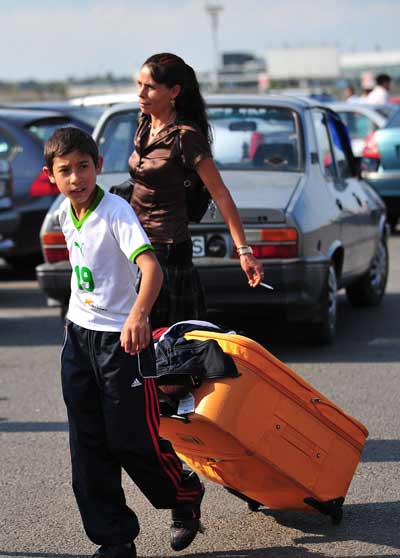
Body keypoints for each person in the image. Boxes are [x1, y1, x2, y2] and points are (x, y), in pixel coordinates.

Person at [43, 127, 206, 558]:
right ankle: (115, 540)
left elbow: (151, 269)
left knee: (132, 439)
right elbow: (85, 277)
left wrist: (137, 316)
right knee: (87, 445)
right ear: (51, 177)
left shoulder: (116, 211)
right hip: (79, 341)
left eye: (83, 167)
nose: (76, 178)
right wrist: (73, 327)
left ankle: (184, 496)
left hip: (123, 344)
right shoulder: (64, 213)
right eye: (65, 171)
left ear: (97, 166)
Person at [128, 52, 264, 329]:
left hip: (167, 251)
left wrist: (243, 251)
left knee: (168, 345)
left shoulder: (186, 136)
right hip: (135, 243)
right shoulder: (144, 124)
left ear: (174, 91)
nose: (141, 93)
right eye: (139, 84)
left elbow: (221, 193)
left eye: (150, 87)